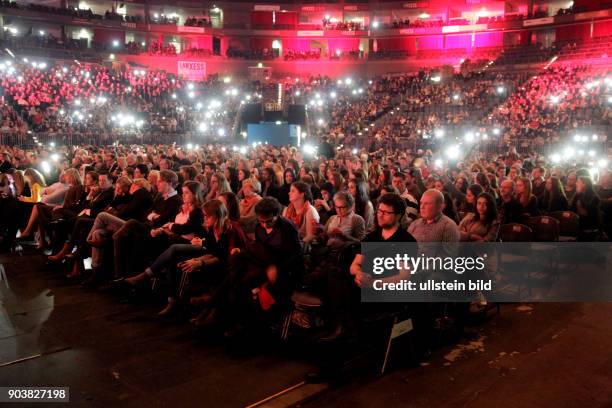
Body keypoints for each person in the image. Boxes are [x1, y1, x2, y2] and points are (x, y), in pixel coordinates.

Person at [193, 197, 302, 334]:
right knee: (236, 274)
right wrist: (243, 252)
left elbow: (296, 255)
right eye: (262, 221)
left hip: (284, 268)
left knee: (241, 281)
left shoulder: (287, 228)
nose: (265, 225)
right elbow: (258, 249)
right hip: (264, 264)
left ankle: (215, 306)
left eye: (269, 221)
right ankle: (222, 317)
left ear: (277, 215)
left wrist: (276, 268)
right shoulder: (259, 227)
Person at [570, 176, 602, 240]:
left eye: (578, 182)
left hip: (589, 229)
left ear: (584, 184)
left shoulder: (594, 197)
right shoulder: (577, 194)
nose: (576, 183)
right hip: (578, 226)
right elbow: (572, 209)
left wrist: (580, 195)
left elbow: (589, 213)